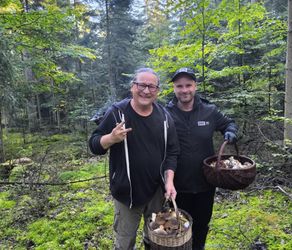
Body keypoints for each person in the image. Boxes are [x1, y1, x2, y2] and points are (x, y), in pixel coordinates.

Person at [89, 68, 180, 250]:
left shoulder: (164, 118)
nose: (146, 91)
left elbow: (172, 152)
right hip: (126, 194)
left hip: (156, 192)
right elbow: (94, 145)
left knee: (155, 237)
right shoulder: (117, 113)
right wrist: (111, 138)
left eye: (151, 87)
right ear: (133, 87)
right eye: (141, 85)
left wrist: (169, 182)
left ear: (158, 91)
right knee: (125, 242)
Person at [166, 67, 238, 250]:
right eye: (179, 86)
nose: (184, 90)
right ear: (174, 88)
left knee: (201, 225)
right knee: (178, 227)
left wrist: (230, 131)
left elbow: (228, 123)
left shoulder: (209, 111)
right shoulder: (165, 112)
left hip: (205, 182)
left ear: (195, 86)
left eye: (188, 85)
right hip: (175, 184)